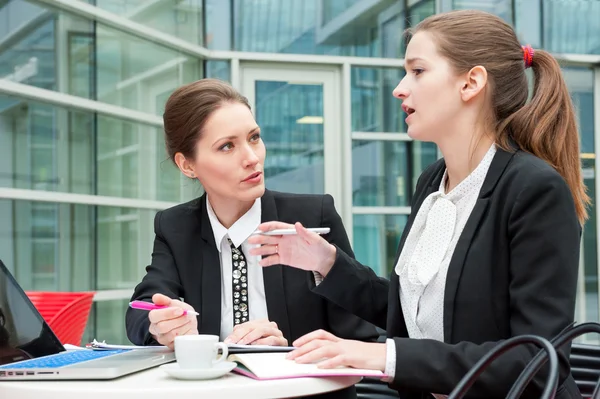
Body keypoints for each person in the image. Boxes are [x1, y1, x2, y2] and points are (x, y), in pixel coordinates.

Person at [248, 9, 587, 399]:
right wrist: (326, 261)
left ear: (471, 83)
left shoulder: (534, 189)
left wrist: (380, 355)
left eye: (418, 71)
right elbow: (413, 314)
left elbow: (535, 359)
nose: (400, 88)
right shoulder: (431, 183)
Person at [125, 78, 379, 398]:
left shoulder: (312, 217)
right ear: (187, 165)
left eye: (254, 138)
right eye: (227, 146)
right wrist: (160, 324)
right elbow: (141, 310)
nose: (252, 158)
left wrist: (288, 351)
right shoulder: (175, 227)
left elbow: (360, 336)